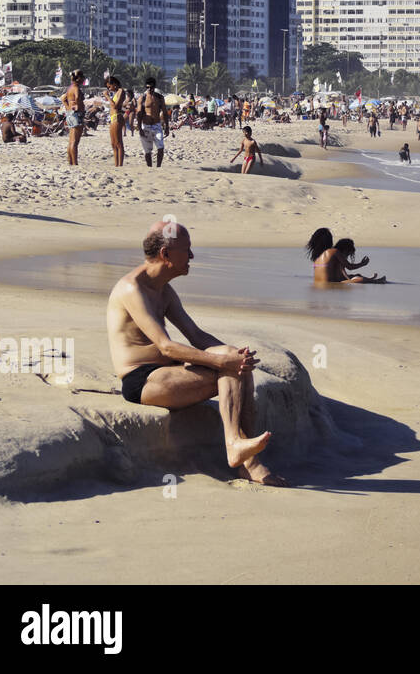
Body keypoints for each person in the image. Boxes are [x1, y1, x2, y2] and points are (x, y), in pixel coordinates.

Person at [106, 222, 286, 485]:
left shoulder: (164, 290)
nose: (191, 256)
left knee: (237, 364)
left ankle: (245, 457)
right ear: (166, 254)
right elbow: (166, 346)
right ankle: (239, 450)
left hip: (167, 371)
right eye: (187, 250)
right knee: (229, 365)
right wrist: (224, 360)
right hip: (141, 380)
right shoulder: (133, 288)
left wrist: (235, 354)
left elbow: (197, 336)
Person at [136, 77, 170, 168]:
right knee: (147, 151)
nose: (149, 89)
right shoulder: (142, 98)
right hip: (145, 126)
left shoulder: (159, 98)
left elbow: (165, 113)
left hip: (157, 125)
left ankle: (158, 167)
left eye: (151, 87)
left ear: (154, 87)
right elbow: (139, 114)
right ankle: (149, 168)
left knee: (161, 148)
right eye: (147, 87)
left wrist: (167, 127)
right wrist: (139, 128)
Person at [63, 70, 84, 166]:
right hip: (76, 114)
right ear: (79, 78)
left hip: (70, 114)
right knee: (75, 141)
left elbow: (63, 99)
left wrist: (68, 108)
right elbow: (78, 98)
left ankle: (70, 161)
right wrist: (77, 106)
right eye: (82, 77)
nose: (83, 79)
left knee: (71, 141)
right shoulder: (76, 88)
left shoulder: (69, 88)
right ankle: (75, 163)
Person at [106, 76, 126, 167]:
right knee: (113, 143)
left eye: (109, 87)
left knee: (118, 143)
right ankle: (116, 164)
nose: (109, 89)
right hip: (113, 118)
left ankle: (120, 165)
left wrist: (107, 97)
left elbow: (115, 106)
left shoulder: (121, 91)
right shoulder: (116, 93)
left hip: (117, 117)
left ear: (114, 84)